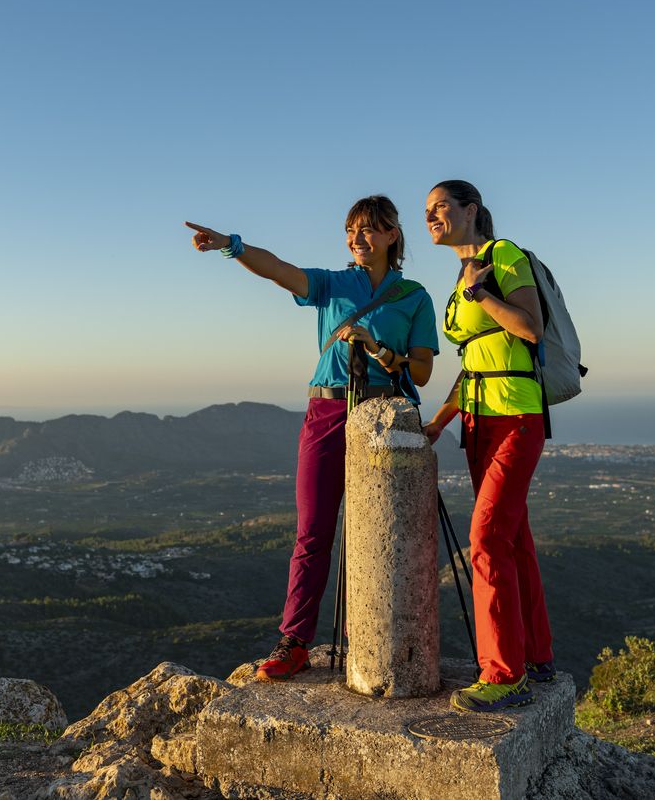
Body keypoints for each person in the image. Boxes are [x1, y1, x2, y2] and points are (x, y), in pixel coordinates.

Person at [185, 195, 439, 681]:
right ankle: (295, 640)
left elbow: (422, 371)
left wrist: (381, 350)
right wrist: (230, 246)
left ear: (391, 235)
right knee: (313, 530)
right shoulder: (333, 284)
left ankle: (368, 639)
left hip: (382, 411)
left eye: (367, 230)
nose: (357, 239)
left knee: (380, 532)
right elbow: (279, 270)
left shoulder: (414, 297)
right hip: (326, 410)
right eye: (351, 231)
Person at [420, 180, 556, 712]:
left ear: (470, 210)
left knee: (485, 539)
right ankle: (537, 658)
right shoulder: (460, 276)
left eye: (440, 207)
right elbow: (473, 360)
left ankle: (504, 673)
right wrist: (439, 421)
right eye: (426, 211)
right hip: (477, 421)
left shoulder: (504, 256)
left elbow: (529, 327)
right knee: (513, 537)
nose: (431, 216)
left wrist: (481, 293)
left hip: (517, 416)